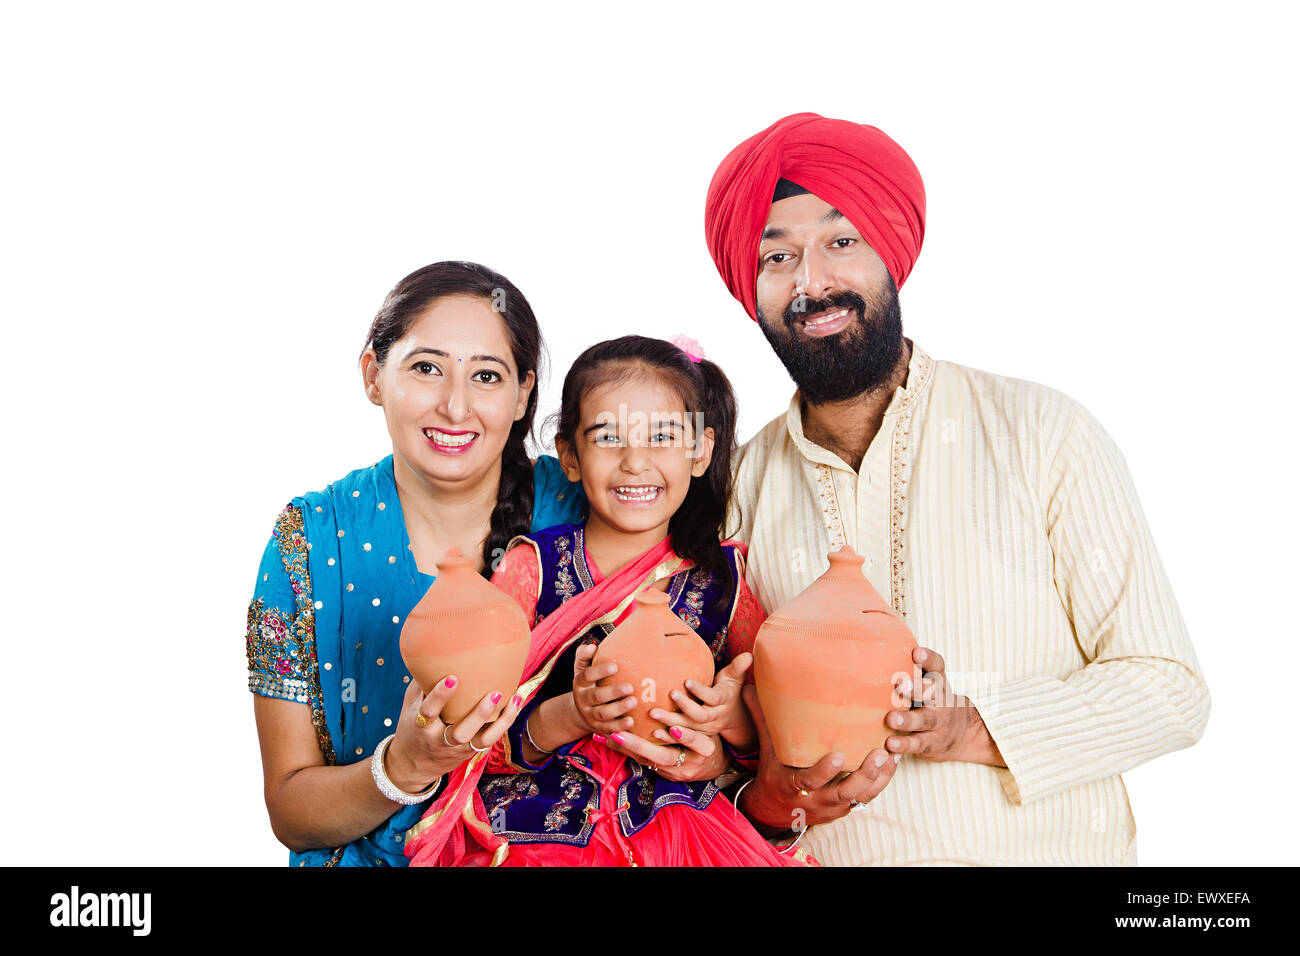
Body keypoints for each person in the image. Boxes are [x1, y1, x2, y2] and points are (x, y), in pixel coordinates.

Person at [704, 113, 1211, 865]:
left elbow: (1171, 691)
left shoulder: (1042, 433)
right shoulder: (740, 483)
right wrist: (770, 803)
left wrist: (970, 726)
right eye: (778, 257)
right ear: (752, 289)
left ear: (891, 253)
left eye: (842, 242)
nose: (813, 282)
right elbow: (728, 739)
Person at [403, 335, 898, 866]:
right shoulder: (533, 568)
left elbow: (775, 740)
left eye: (663, 437)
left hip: (683, 829)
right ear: (569, 455)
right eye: (607, 437)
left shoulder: (728, 578)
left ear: (701, 451)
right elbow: (475, 740)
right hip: (539, 831)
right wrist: (572, 714)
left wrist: (730, 719)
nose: (635, 463)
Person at [246, 261, 586, 866]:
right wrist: (404, 766)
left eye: (486, 376)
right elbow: (291, 812)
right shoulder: (312, 542)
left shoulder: (584, 509)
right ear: (373, 375)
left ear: (523, 395)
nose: (456, 407)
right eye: (426, 368)